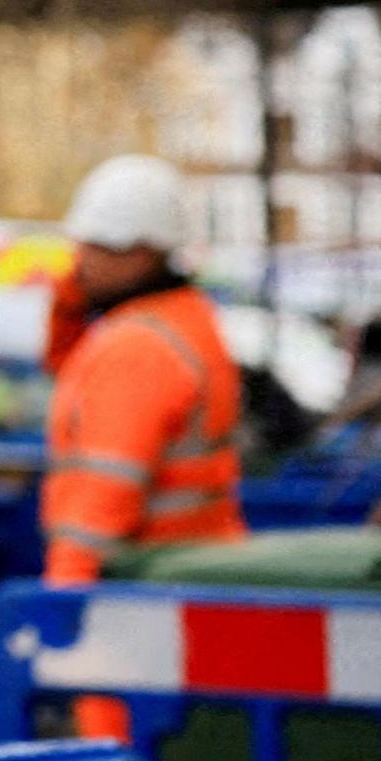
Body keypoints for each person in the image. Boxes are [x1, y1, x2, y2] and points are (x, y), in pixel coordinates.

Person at [41, 155, 245, 585]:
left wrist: (61, 606)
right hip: (192, 574)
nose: (79, 261)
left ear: (141, 254)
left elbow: (101, 501)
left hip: (142, 589)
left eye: (96, 247)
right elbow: (72, 378)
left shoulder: (135, 348)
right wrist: (69, 303)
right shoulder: (184, 318)